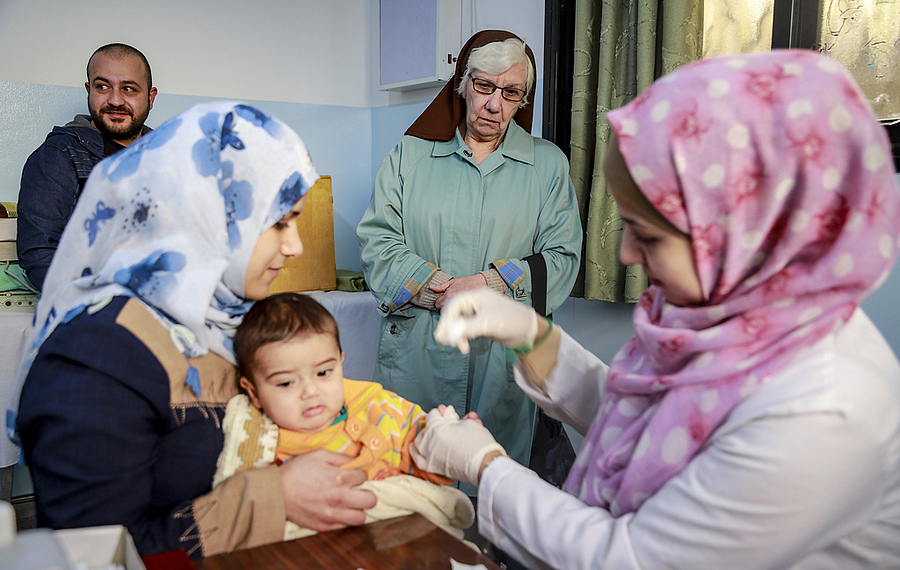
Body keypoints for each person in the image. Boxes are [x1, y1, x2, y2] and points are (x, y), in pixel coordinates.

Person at [410, 50, 900, 569]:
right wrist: (531, 335)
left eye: (647, 235)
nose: (626, 254)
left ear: (749, 236)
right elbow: (642, 418)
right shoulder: (732, 321)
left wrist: (485, 466)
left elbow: (630, 559)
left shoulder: (820, 412)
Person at [8, 101, 376, 559]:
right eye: (279, 223)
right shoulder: (95, 356)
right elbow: (98, 555)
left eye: (296, 221)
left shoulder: (227, 318)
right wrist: (276, 495)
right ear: (207, 217)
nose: (296, 246)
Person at [356, 30, 582, 474]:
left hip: (501, 356)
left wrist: (483, 286)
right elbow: (377, 241)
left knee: (491, 480)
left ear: (522, 100)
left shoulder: (548, 165)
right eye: (484, 86)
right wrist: (443, 291)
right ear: (462, 84)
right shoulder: (410, 155)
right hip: (418, 350)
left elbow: (561, 258)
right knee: (411, 478)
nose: (495, 104)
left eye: (511, 92)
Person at [212, 292, 475, 539]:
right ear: (254, 392)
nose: (310, 392)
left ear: (340, 361)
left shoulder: (377, 406)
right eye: (286, 383)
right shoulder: (258, 443)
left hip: (403, 537)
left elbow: (424, 454)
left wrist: (449, 443)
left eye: (323, 373)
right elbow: (255, 518)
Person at [17, 43, 157, 290]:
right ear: (88, 90)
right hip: (98, 305)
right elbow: (40, 256)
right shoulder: (59, 155)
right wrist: (110, 306)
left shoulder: (169, 158)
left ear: (150, 97)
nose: (115, 100)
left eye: (128, 89)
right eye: (102, 87)